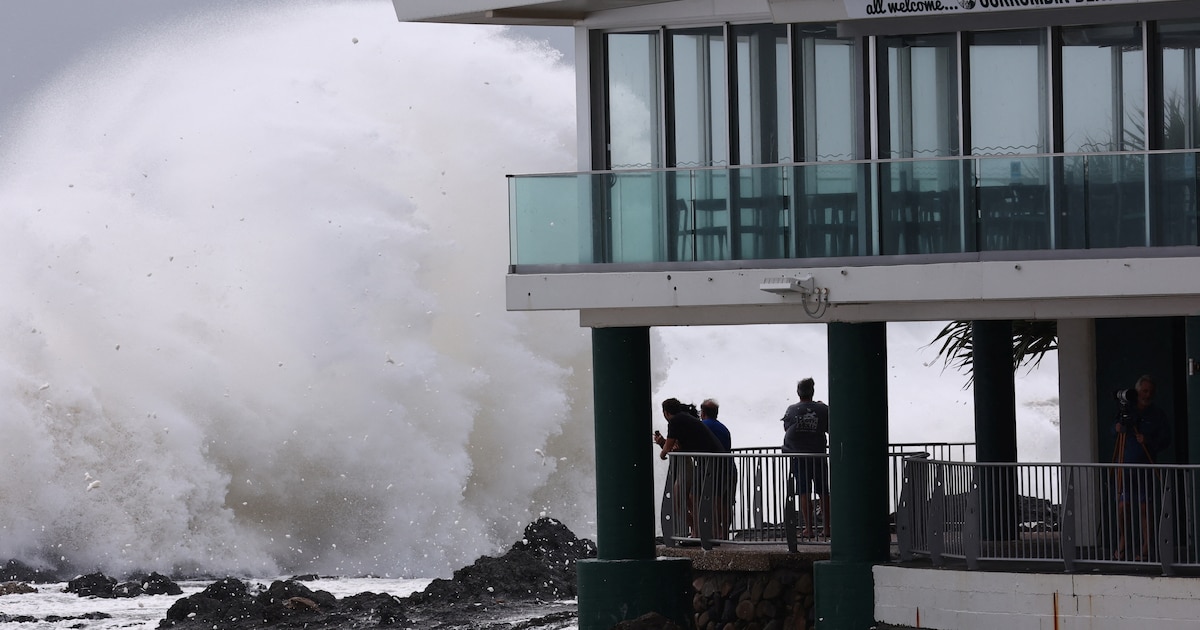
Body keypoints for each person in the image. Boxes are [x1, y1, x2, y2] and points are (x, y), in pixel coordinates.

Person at [1112, 374, 1171, 562]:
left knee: (1145, 507)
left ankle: (1146, 546)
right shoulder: (1127, 412)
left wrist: (1148, 441)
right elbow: (1113, 430)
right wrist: (1117, 428)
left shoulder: (1157, 414)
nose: (1147, 395)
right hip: (1125, 466)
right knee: (1123, 506)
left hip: (1146, 466)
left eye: (1150, 392)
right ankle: (1123, 540)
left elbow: (1165, 439)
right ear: (1137, 392)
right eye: (1144, 391)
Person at [655, 398, 725, 543]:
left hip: (708, 462)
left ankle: (699, 532)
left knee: (689, 498)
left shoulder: (675, 421)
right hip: (711, 461)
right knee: (690, 499)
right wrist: (664, 444)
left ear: (666, 412)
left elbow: (669, 448)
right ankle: (700, 531)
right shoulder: (685, 419)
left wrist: (662, 453)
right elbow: (677, 447)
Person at [781, 377, 831, 539]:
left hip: (799, 456)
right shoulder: (823, 409)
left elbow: (787, 428)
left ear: (798, 392)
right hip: (818, 455)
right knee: (823, 491)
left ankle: (808, 528)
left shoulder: (792, 409)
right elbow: (830, 428)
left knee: (804, 491)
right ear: (812, 391)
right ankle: (827, 528)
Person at [699, 399, 735, 538]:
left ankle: (715, 532)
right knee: (726, 502)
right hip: (729, 467)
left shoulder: (703, 426)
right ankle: (724, 533)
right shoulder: (723, 428)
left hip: (714, 469)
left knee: (714, 500)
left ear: (703, 413)